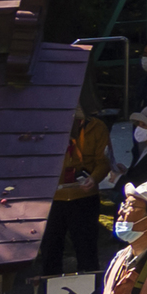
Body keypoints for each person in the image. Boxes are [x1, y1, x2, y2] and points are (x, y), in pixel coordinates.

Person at [34, 105, 111, 275]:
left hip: (84, 196)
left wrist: (94, 178)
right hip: (54, 198)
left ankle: (90, 293)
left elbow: (104, 161)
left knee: (86, 249)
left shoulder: (97, 127)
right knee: (51, 249)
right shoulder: (48, 129)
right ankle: (51, 292)